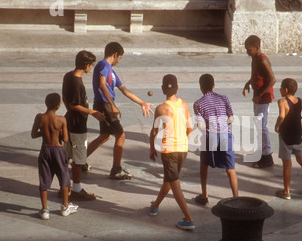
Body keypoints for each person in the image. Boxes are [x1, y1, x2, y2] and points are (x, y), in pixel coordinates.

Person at [87, 42, 154, 180]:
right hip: (104, 104)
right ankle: (116, 169)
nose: (119, 61)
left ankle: (79, 161)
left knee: (105, 135)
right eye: (120, 58)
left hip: (106, 104)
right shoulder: (103, 65)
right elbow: (101, 84)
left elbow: (124, 90)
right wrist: (112, 105)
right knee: (121, 135)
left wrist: (142, 103)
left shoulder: (111, 70)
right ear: (115, 54)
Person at [149, 74, 195, 230]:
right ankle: (155, 206)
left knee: (175, 186)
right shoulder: (185, 105)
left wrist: (151, 148)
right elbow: (190, 128)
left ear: (162, 89)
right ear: (178, 87)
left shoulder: (160, 108)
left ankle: (188, 218)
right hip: (183, 149)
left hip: (169, 151)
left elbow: (154, 132)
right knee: (169, 180)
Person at [62, 50, 106, 200]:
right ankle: (76, 189)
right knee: (78, 158)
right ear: (87, 65)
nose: (91, 68)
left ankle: (64, 187)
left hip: (68, 121)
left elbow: (65, 99)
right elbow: (75, 105)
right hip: (77, 125)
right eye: (91, 65)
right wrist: (91, 111)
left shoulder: (68, 76)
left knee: (66, 155)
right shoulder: (76, 82)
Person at [193, 74, 239, 206]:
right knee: (231, 169)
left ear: (201, 87)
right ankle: (236, 198)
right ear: (213, 85)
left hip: (210, 136)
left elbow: (201, 125)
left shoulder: (198, 103)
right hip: (225, 135)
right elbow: (231, 118)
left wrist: (203, 130)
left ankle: (204, 194)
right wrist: (224, 125)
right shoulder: (224, 99)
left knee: (204, 165)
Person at [31, 93, 79, 220]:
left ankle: (45, 210)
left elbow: (33, 134)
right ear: (58, 106)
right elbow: (66, 139)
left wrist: (44, 132)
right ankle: (65, 206)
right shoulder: (61, 119)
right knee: (64, 178)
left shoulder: (39, 117)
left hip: (45, 149)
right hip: (58, 150)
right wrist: (61, 132)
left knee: (44, 179)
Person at [274, 78, 302, 199]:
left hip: (285, 138)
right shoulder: (300, 101)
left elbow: (281, 115)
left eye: (280, 88)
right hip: (297, 138)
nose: (279, 90)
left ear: (285, 90)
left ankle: (286, 192)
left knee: (287, 165)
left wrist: (277, 126)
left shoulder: (282, 102)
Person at [243, 35, 276, 168]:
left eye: (249, 50)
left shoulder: (263, 60)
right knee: (258, 125)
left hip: (263, 99)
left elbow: (272, 80)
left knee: (262, 127)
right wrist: (248, 83)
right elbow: (256, 76)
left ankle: (267, 156)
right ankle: (261, 152)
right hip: (258, 98)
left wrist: (260, 94)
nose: (247, 52)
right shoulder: (255, 59)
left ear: (257, 48)